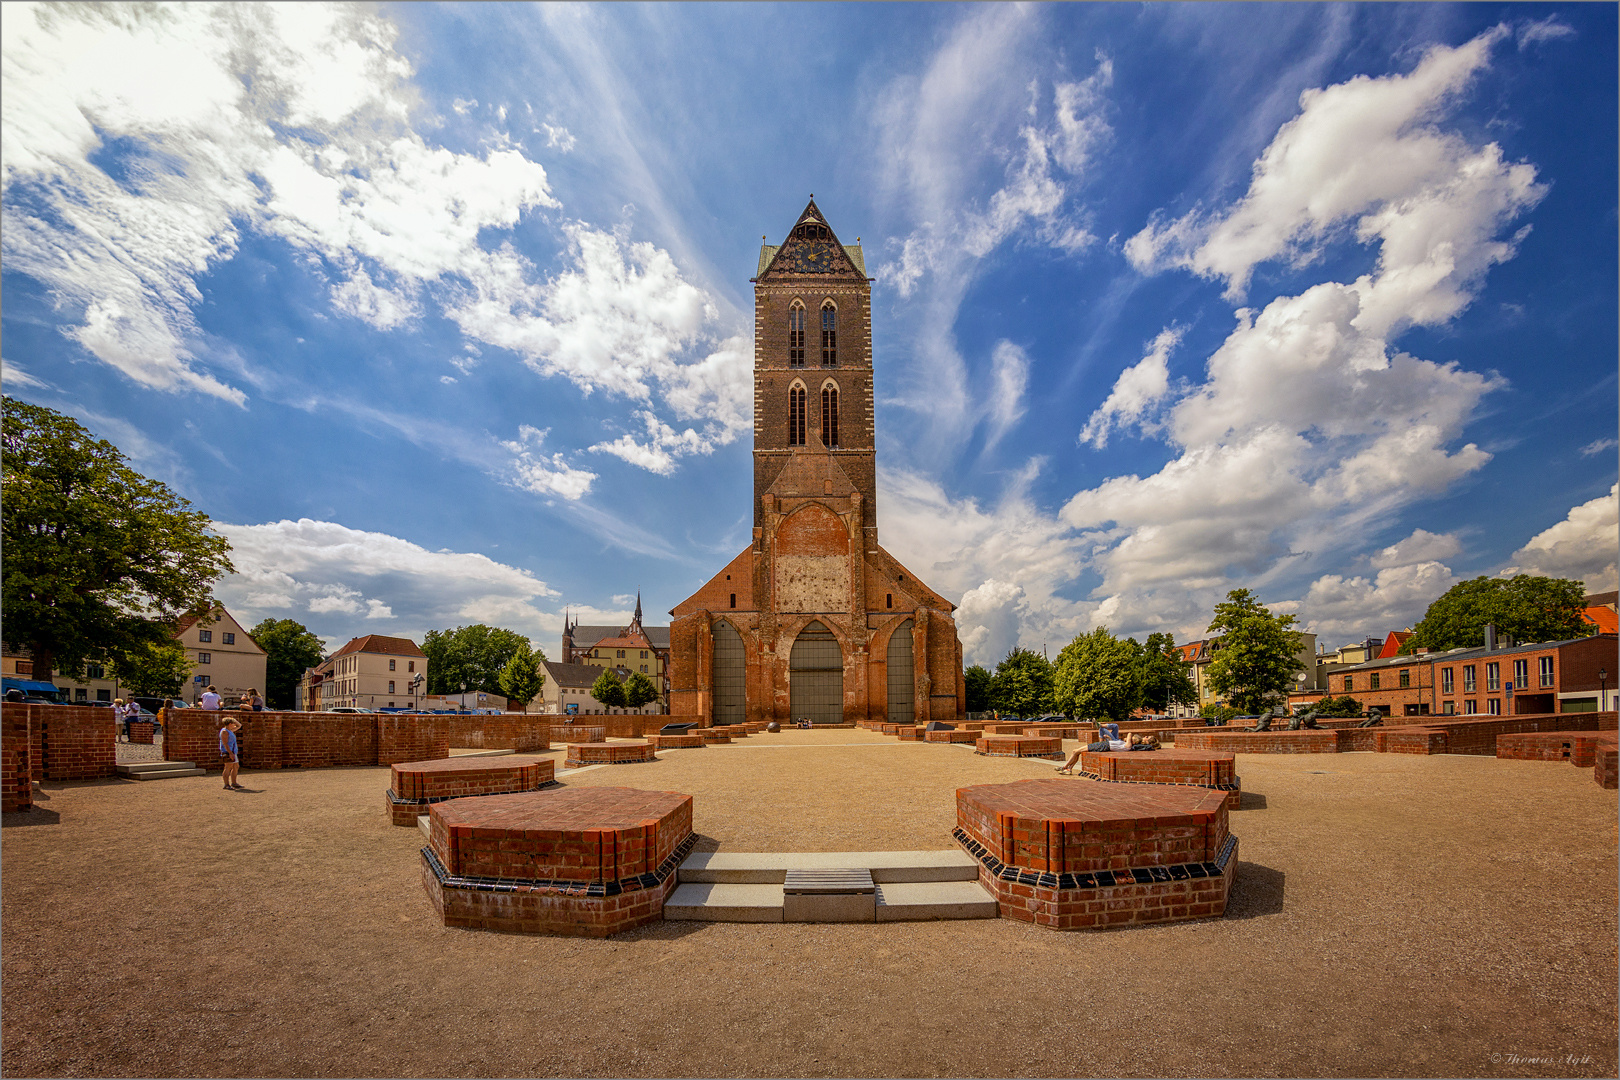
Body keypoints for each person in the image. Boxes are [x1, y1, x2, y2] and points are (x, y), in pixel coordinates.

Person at [219, 717, 243, 790]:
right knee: (228, 767)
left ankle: (234, 782)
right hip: (228, 752)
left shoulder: (230, 730)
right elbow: (225, 743)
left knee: (236, 766)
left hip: (233, 751)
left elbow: (239, 725)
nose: (234, 725)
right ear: (230, 724)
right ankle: (226, 784)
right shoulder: (224, 732)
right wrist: (230, 753)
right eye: (233, 723)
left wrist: (234, 720)